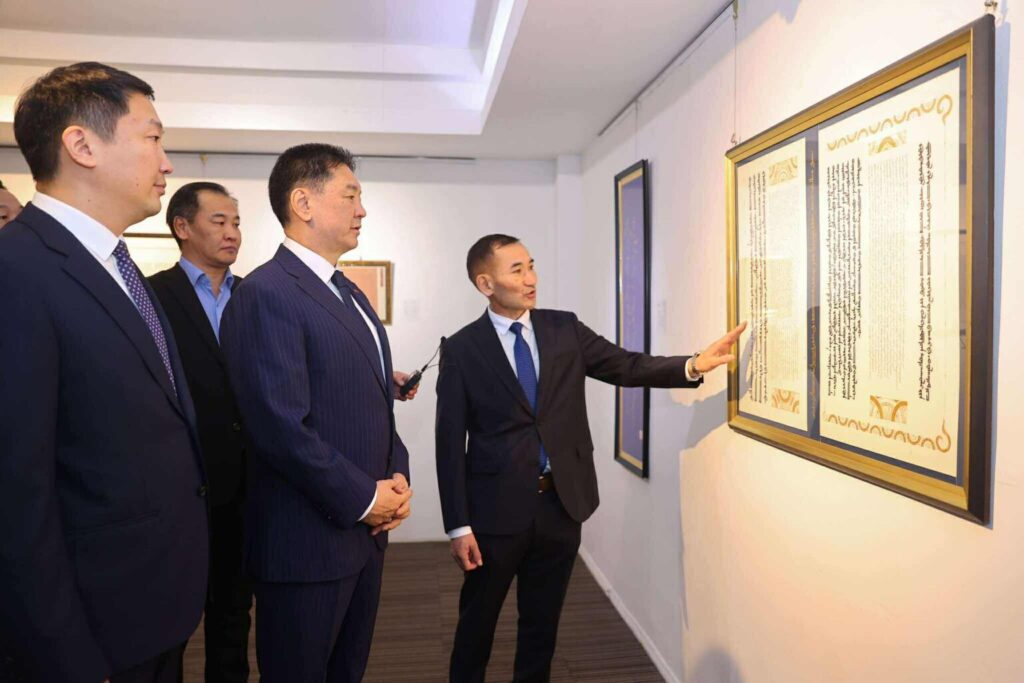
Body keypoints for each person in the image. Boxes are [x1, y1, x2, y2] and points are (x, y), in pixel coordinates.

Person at [435, 234, 745, 683]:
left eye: (531, 265)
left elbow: (626, 365)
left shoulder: (564, 329)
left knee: (541, 625)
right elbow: (448, 442)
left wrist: (693, 364)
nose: (531, 279)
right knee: (477, 625)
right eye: (517, 270)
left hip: (561, 504)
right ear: (486, 283)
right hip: (494, 513)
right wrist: (458, 525)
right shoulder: (462, 349)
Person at [0, 62, 207, 682]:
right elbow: (16, 497)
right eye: (153, 137)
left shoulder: (115, 263)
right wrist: (67, 657)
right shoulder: (17, 271)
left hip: (152, 605)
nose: (166, 163)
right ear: (82, 145)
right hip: (89, 633)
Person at [220, 143, 417, 682]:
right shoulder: (267, 293)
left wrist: (396, 476)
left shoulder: (347, 291)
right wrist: (366, 497)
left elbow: (373, 400)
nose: (362, 210)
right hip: (306, 544)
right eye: (350, 195)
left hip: (364, 536)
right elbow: (279, 427)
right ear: (303, 203)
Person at [148, 182, 250, 683]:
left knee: (234, 615)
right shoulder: (151, 295)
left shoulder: (254, 295)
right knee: (169, 621)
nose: (232, 233)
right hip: (178, 485)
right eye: (219, 222)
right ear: (183, 227)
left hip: (247, 483)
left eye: (237, 223)